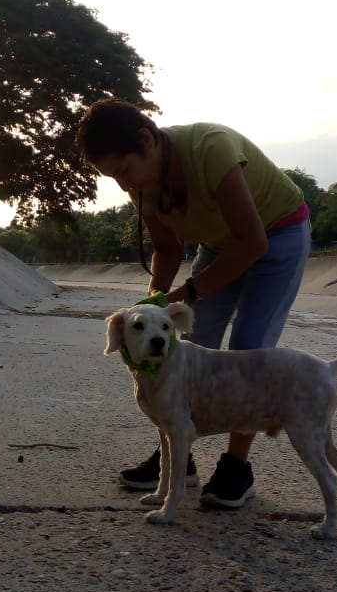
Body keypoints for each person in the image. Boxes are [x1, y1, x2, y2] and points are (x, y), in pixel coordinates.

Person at [77, 99, 311, 508]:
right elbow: (167, 249)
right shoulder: (143, 187)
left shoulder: (211, 148)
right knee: (183, 345)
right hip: (220, 245)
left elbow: (253, 242)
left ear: (147, 140)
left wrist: (189, 292)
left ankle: (236, 468)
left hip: (278, 237)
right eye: (114, 178)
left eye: (124, 171)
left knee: (249, 350)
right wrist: (156, 301)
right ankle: (176, 456)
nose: (125, 185)